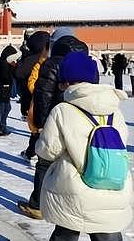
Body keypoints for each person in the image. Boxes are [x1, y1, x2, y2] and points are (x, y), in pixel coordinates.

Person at [30, 52, 134, 241]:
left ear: (66, 82)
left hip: (75, 189)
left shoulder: (63, 110)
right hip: (112, 188)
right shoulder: (115, 110)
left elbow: (47, 150)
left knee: (64, 237)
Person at [18, 27, 90, 219]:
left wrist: (40, 124)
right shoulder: (87, 61)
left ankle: (38, 205)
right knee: (74, 164)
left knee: (44, 164)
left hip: (55, 119)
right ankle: (71, 206)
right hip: (82, 121)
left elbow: (43, 95)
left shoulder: (52, 63)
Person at [0, 46, 19, 136]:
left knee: (7, 108)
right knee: (0, 109)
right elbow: (5, 77)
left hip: (4, 90)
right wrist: (13, 68)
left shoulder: (6, 62)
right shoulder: (3, 62)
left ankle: (2, 125)